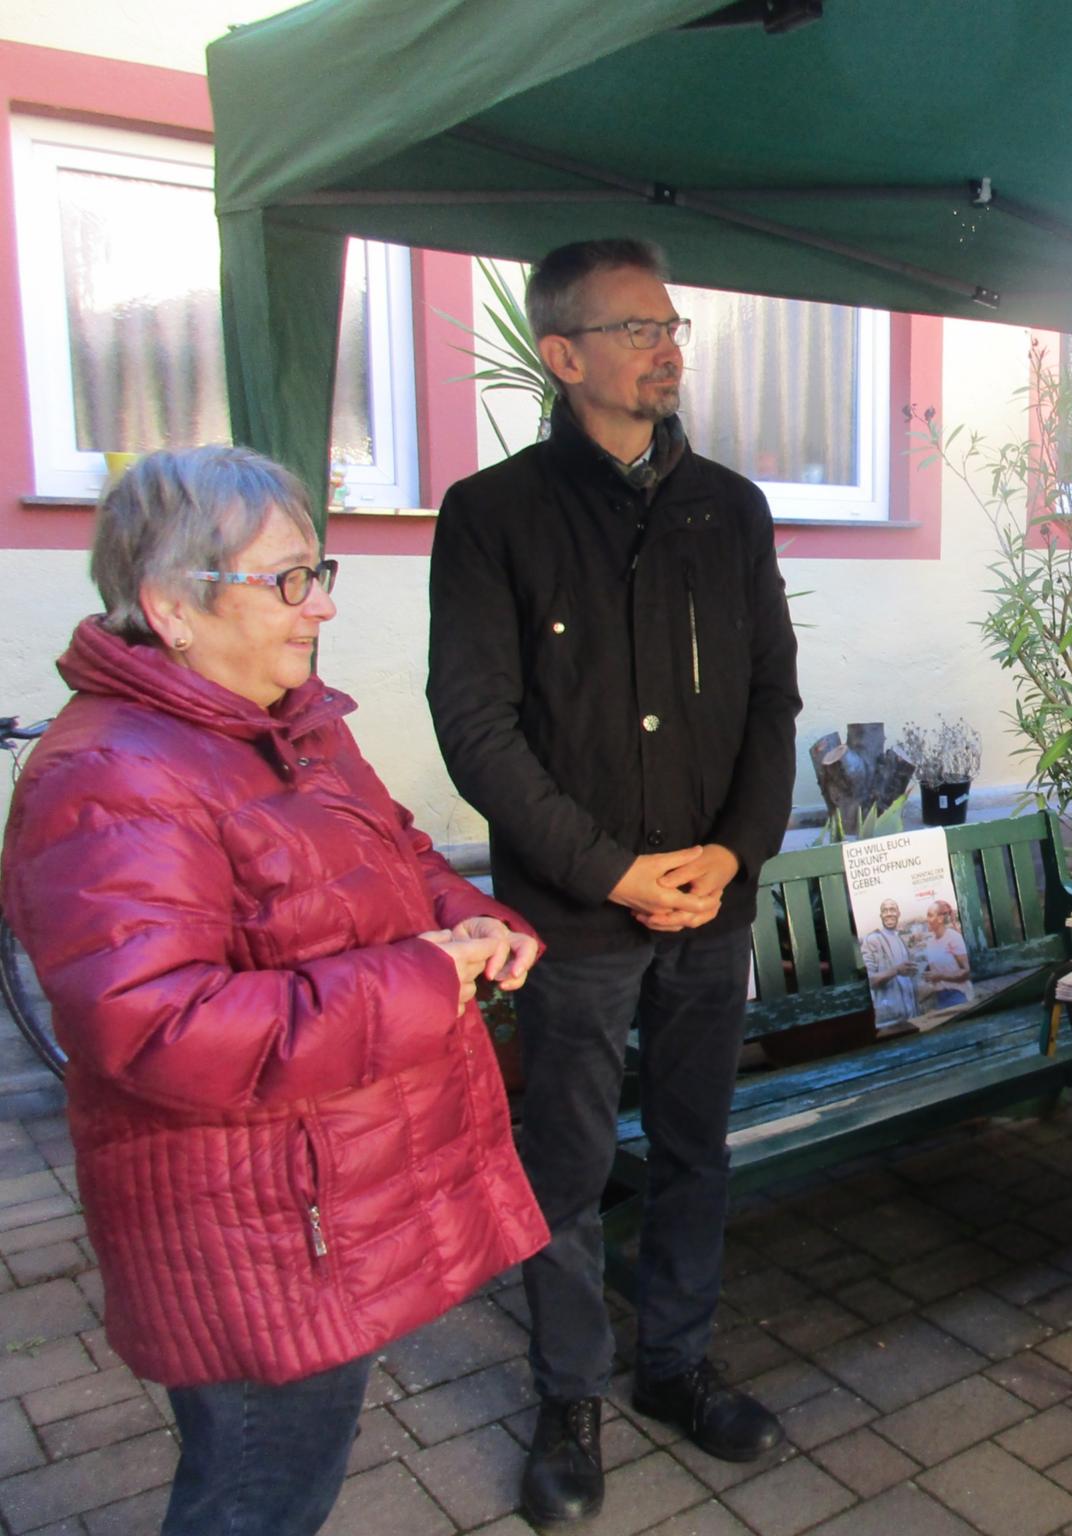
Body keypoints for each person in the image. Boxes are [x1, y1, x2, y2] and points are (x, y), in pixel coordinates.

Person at [0, 448, 548, 1536]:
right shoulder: (110, 777)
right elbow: (158, 1029)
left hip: (316, 1205)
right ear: (173, 608)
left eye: (320, 570)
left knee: (286, 1474)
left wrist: (467, 920)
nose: (324, 607)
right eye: (289, 580)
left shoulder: (291, 722)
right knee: (257, 1494)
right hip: (248, 1234)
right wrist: (418, 979)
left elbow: (394, 850)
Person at [428, 238, 802, 1525]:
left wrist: (734, 852)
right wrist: (610, 868)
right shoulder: (493, 516)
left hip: (712, 906)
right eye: (637, 328)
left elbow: (770, 698)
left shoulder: (730, 508)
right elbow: (474, 727)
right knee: (566, 1168)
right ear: (564, 353)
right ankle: (567, 1396)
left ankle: (676, 1367)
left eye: (672, 323)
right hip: (576, 919)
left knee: (697, 1150)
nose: (666, 348)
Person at [860, 898, 920, 1024]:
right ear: (881, 915)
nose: (889, 913)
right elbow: (869, 981)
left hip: (911, 1017)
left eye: (892, 909)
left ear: (898, 913)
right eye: (885, 910)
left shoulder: (900, 939)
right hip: (889, 1021)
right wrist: (896, 970)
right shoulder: (872, 939)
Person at [920, 898, 973, 1011]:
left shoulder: (953, 938)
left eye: (930, 915)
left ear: (940, 918)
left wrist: (939, 976)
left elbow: (966, 972)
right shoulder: (930, 943)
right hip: (940, 998)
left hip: (957, 995)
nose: (927, 919)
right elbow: (933, 970)